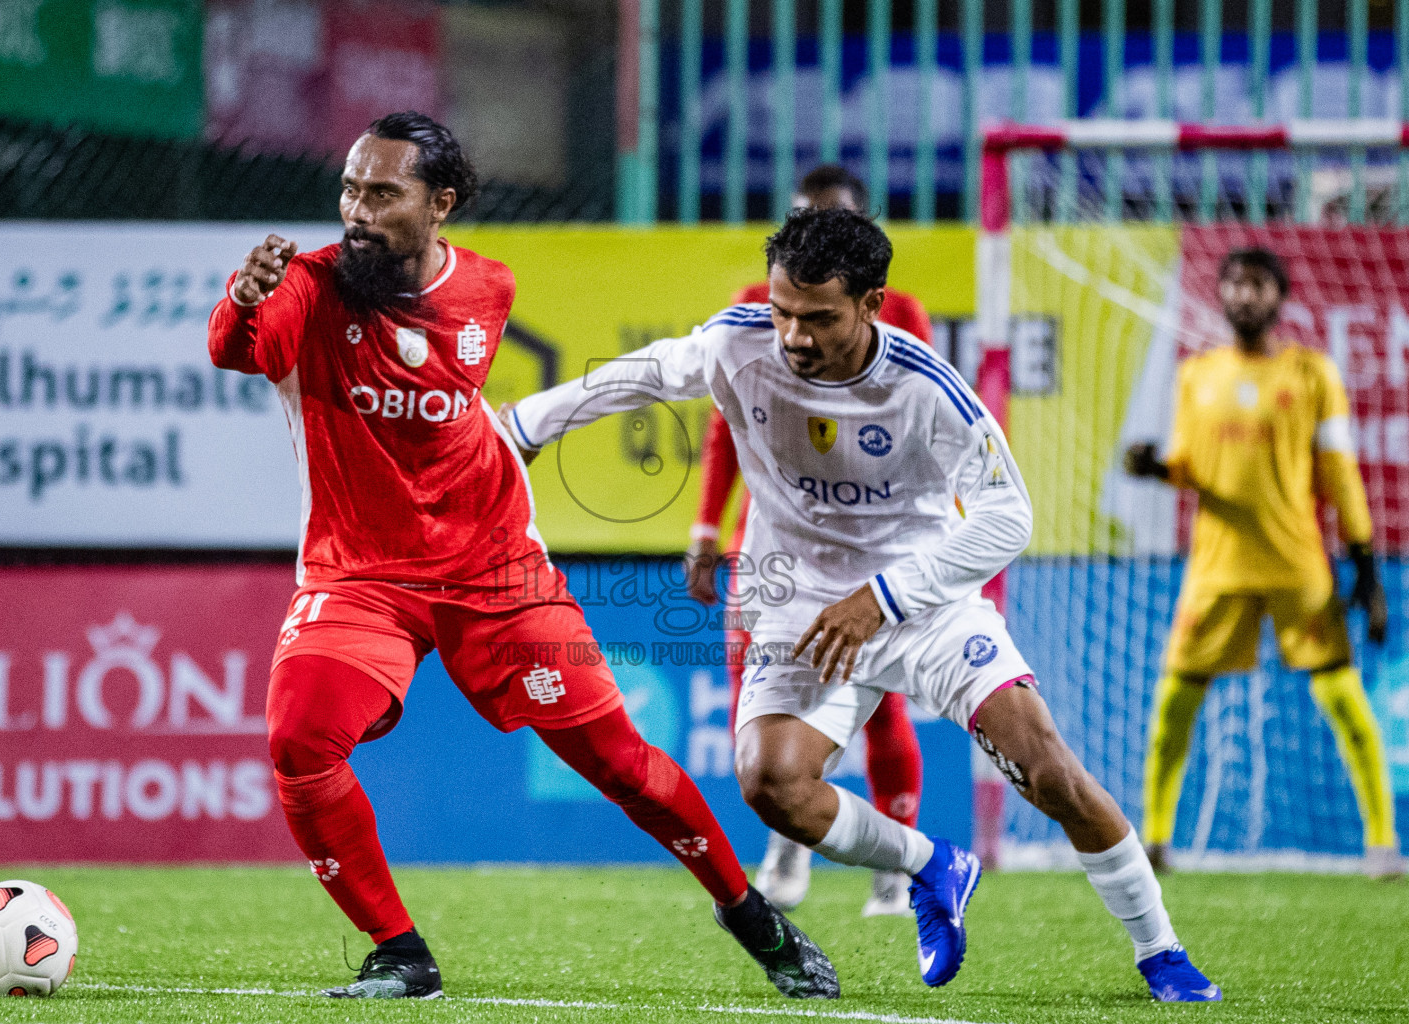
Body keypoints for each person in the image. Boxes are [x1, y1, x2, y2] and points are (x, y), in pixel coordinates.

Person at [506, 207, 1221, 1001]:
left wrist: (882, 598)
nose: (794, 336)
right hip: (798, 603)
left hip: (923, 600)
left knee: (1050, 773)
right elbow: (639, 373)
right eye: (783, 311)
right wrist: (522, 428)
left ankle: (1161, 952)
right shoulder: (739, 341)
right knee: (772, 785)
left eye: (819, 317)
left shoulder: (925, 387)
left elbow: (1009, 516)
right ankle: (932, 865)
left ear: (873, 303)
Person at [207, 111, 838, 1001]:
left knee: (622, 764)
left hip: (495, 567)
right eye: (350, 188)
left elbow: (445, 406)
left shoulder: (487, 291)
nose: (356, 209)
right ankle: (399, 952)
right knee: (298, 738)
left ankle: (753, 916)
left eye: (383, 193)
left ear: (441, 206)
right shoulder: (308, 287)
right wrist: (243, 299)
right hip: (362, 575)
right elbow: (237, 349)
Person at [686, 165, 927, 917]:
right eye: (801, 221)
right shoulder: (755, 309)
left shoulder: (903, 317)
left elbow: (929, 434)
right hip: (767, 545)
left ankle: (895, 863)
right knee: (753, 696)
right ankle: (788, 837)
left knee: (877, 703)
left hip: (859, 544)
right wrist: (703, 524)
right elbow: (726, 424)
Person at [1124, 246, 1402, 880]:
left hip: (1296, 564)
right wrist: (1156, 467)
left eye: (1257, 285)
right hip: (1217, 566)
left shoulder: (1312, 373)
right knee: (1175, 700)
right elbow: (1192, 468)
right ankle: (1159, 841)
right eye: (1234, 284)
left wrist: (1365, 567)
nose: (1244, 295)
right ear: (1221, 296)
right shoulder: (1198, 374)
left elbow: (1339, 470)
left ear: (1280, 298)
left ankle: (1383, 845)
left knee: (1342, 696)